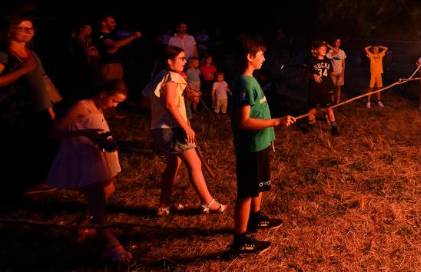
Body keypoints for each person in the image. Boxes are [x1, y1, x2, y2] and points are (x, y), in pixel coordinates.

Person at [47, 80, 133, 264]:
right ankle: (113, 246)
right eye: (114, 101)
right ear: (103, 94)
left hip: (96, 158)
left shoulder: (99, 108)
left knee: (108, 189)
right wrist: (84, 134)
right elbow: (56, 131)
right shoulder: (82, 106)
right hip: (84, 160)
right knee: (98, 200)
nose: (115, 105)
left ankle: (84, 225)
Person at [230, 35, 295, 255]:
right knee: (247, 192)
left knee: (257, 187)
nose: (264, 58)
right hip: (251, 148)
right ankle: (240, 241)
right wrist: (276, 121)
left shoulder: (251, 79)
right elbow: (243, 121)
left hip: (260, 144)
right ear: (250, 57)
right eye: (261, 55)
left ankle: (255, 218)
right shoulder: (245, 83)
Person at [142, 45, 226, 216]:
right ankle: (209, 202)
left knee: (173, 164)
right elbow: (170, 104)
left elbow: (145, 99)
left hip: (159, 129)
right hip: (173, 129)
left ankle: (164, 204)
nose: (185, 61)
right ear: (169, 61)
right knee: (195, 164)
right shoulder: (172, 76)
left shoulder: (158, 76)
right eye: (181, 58)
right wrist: (186, 126)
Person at [0, 16, 58, 200]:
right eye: (22, 28)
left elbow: (42, 79)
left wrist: (49, 104)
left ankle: (40, 181)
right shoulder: (4, 53)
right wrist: (23, 70)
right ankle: (19, 185)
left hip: (38, 108)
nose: (27, 31)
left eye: (30, 28)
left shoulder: (32, 53)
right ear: (10, 30)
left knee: (42, 144)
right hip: (15, 108)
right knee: (20, 146)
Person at [94, 16, 141, 83]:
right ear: (103, 23)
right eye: (112, 22)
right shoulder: (100, 35)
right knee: (110, 87)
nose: (114, 24)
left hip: (117, 67)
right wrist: (133, 36)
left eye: (115, 22)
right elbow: (113, 45)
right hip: (108, 67)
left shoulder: (114, 36)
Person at [306, 41, 339, 135]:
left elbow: (330, 73)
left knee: (328, 108)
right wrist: (313, 76)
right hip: (314, 89)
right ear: (316, 50)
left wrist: (331, 86)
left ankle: (334, 126)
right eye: (322, 49)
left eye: (325, 49)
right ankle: (311, 124)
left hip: (325, 89)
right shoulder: (311, 61)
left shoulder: (328, 61)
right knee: (312, 107)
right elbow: (306, 74)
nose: (324, 50)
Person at [327, 38, 346, 104]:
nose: (338, 43)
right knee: (332, 88)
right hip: (333, 73)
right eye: (336, 42)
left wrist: (342, 73)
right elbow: (328, 58)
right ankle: (332, 102)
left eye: (339, 42)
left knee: (338, 88)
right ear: (334, 43)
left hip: (340, 73)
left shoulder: (342, 52)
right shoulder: (330, 51)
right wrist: (333, 52)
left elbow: (343, 64)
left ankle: (338, 102)